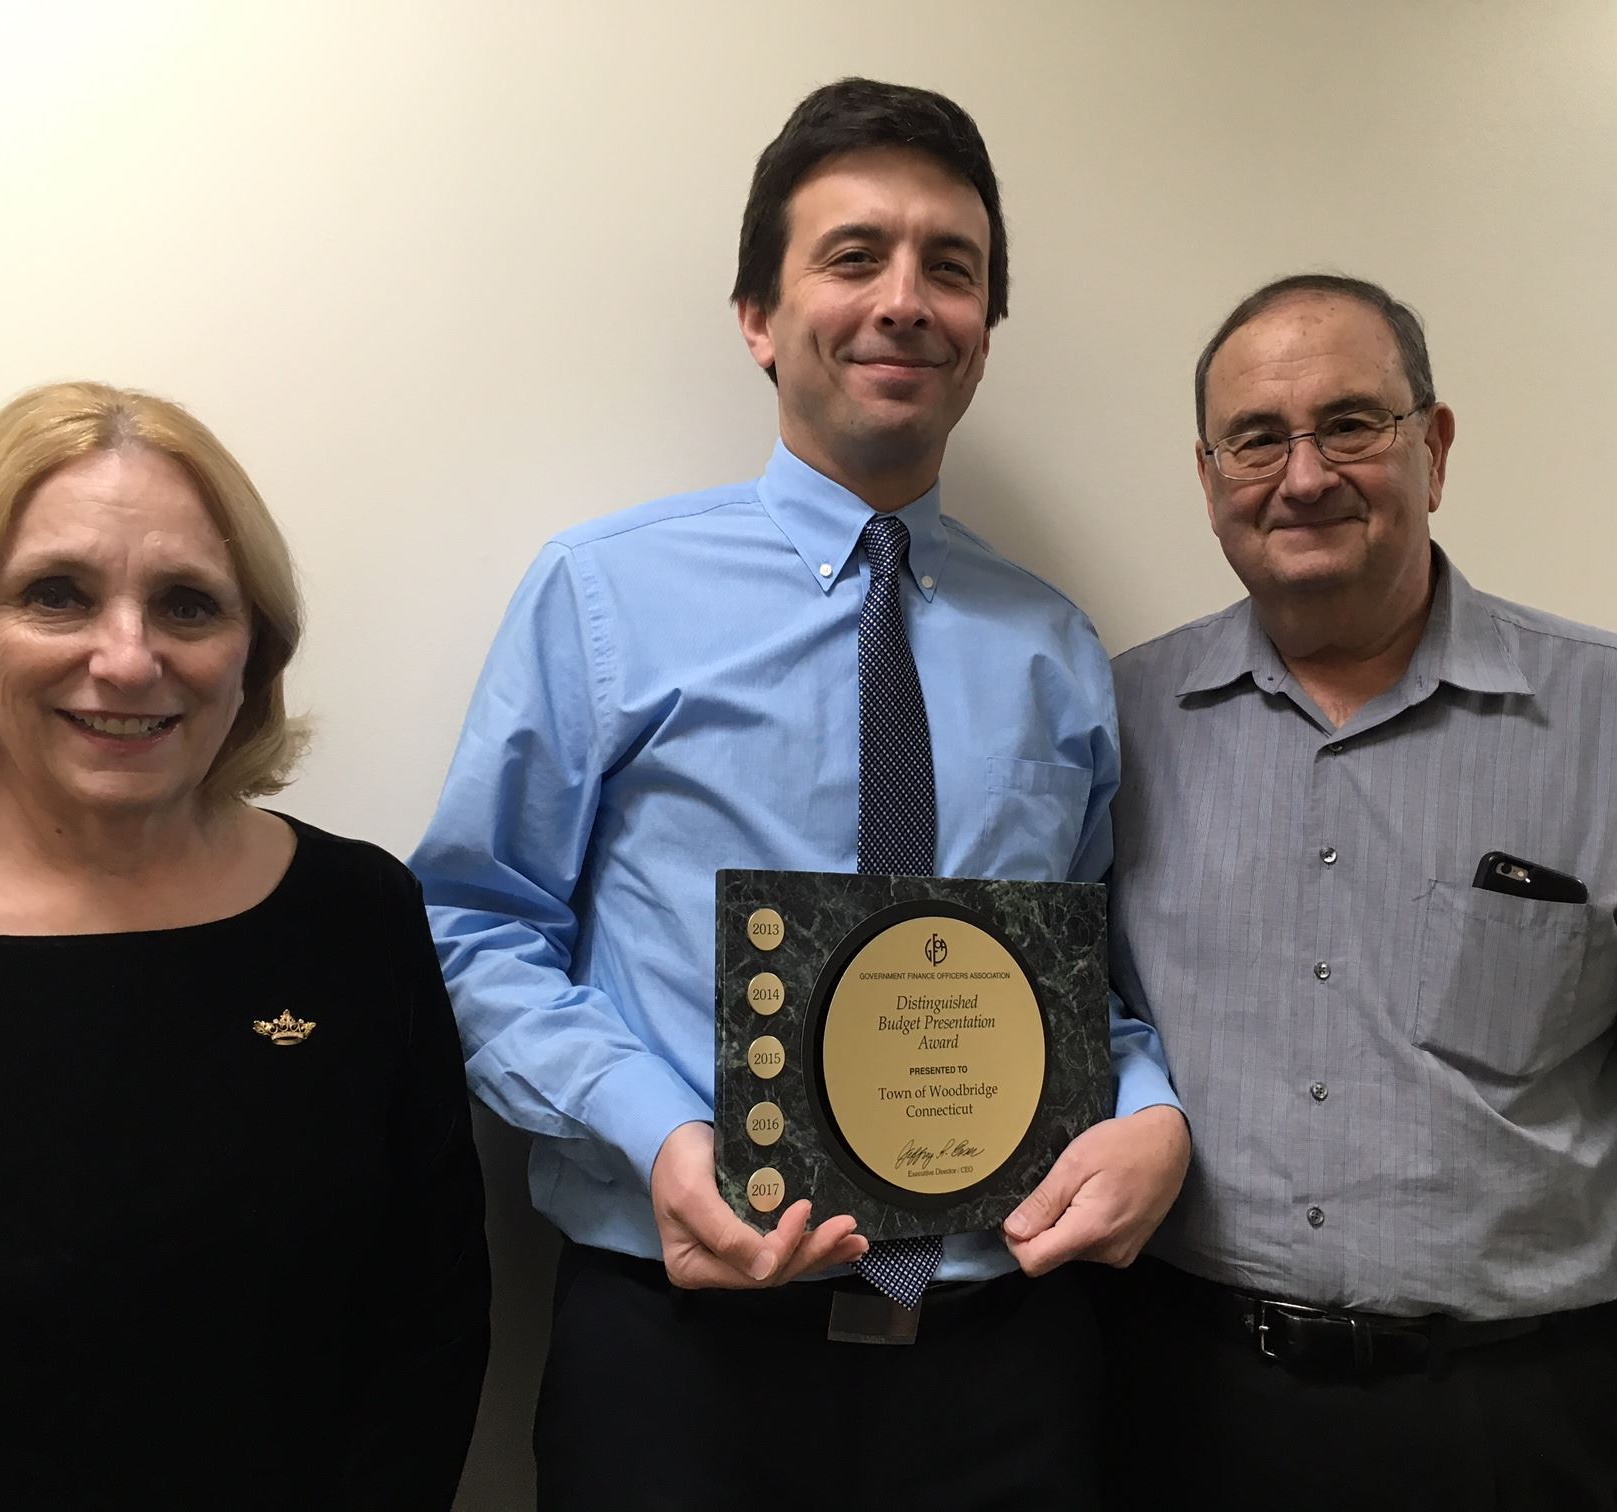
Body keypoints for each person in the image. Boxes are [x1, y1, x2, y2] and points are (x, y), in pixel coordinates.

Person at [412, 77, 1189, 1511]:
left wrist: (1154, 1112)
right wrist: (659, 1131)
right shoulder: (602, 598)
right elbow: (472, 932)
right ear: (760, 319)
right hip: (682, 1354)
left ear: (982, 338)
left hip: (1003, 1359)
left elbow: (1091, 987)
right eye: (854, 256)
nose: (905, 299)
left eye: (950, 268)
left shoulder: (1059, 651)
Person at [1103, 273, 1617, 1512]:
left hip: (1518, 1428)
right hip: (1174, 1409)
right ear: (1210, 474)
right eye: (1257, 439)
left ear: (1433, 448)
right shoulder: (1117, 728)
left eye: (1350, 424)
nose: (1305, 474)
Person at [0, 383, 490, 1510]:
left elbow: (426, 1330)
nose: (129, 657)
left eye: (189, 606)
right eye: (56, 595)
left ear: (253, 653)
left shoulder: (356, 916)